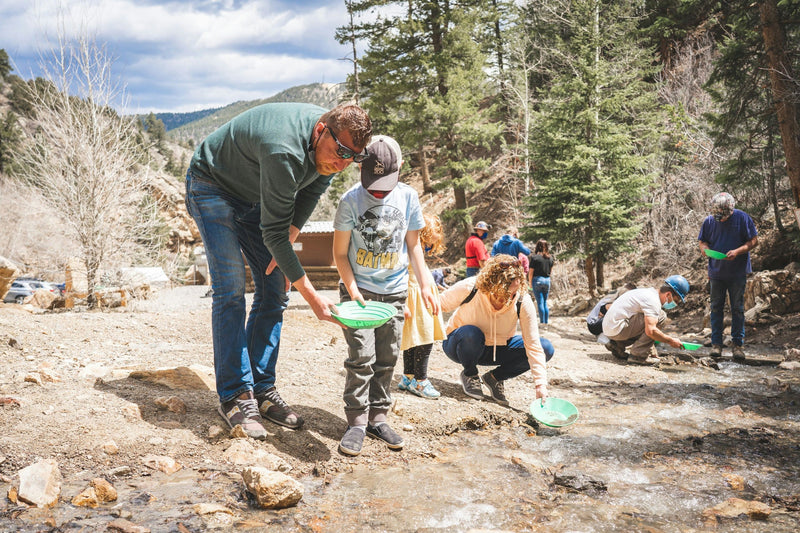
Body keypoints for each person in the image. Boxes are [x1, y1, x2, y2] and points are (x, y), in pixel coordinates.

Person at [185, 102, 372, 440]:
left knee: (274, 287)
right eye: (340, 151)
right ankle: (234, 394)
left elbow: (314, 187)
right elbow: (271, 232)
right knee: (230, 288)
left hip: (252, 195)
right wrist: (312, 295)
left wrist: (291, 236)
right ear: (320, 131)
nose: (343, 163)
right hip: (211, 185)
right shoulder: (283, 149)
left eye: (354, 158)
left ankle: (259, 386)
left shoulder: (328, 150)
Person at [333, 135, 439, 456]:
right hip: (358, 292)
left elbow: (414, 245)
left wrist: (424, 284)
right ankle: (356, 421)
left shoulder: (408, 197)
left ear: (400, 167)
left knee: (387, 356)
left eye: (385, 183)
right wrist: (353, 292)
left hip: (394, 293)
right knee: (361, 357)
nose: (378, 190)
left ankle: (378, 417)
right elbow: (339, 255)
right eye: (373, 183)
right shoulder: (350, 201)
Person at [439, 254, 555, 407]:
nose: (509, 297)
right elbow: (437, 304)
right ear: (492, 283)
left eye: (513, 293)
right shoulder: (472, 287)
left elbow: (533, 345)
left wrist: (541, 385)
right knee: (471, 333)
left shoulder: (521, 300)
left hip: (496, 349)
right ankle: (470, 374)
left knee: (545, 348)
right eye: (505, 292)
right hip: (461, 345)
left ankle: (494, 378)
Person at [698, 192, 758, 360]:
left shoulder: (742, 218)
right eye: (718, 215)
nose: (720, 219)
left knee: (737, 309)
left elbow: (754, 241)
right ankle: (716, 344)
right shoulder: (709, 221)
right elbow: (702, 241)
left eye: (723, 216)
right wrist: (704, 250)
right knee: (716, 307)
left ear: (730, 210)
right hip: (716, 272)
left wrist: (738, 251)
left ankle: (738, 346)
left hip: (737, 272)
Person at [399, 213, 448, 399]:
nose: (430, 245)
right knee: (425, 338)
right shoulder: (410, 246)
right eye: (431, 236)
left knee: (415, 338)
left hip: (420, 294)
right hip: (415, 296)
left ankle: (408, 377)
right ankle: (420, 381)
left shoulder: (415, 246)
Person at [602, 275, 690, 365]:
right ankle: (638, 356)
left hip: (609, 329)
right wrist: (670, 340)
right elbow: (650, 331)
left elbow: (645, 328)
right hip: (617, 329)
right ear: (668, 294)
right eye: (676, 300)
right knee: (661, 316)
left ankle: (617, 345)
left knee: (651, 318)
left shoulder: (646, 292)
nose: (676, 304)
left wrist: (651, 350)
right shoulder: (653, 301)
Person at [528, 239, 554, 324]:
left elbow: (531, 272)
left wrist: (530, 283)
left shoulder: (534, 257)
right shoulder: (550, 258)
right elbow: (550, 271)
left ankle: (542, 322)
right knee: (545, 302)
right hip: (547, 280)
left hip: (537, 280)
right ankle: (546, 322)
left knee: (540, 302)